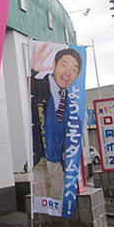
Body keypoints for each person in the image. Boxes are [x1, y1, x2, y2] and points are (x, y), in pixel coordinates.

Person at [30, 42, 83, 200]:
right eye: (64, 65)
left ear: (77, 76)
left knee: (58, 204)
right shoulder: (38, 86)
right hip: (38, 161)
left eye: (74, 70)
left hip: (59, 164)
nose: (67, 72)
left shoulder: (72, 103)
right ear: (54, 65)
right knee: (41, 204)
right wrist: (33, 71)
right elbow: (23, 89)